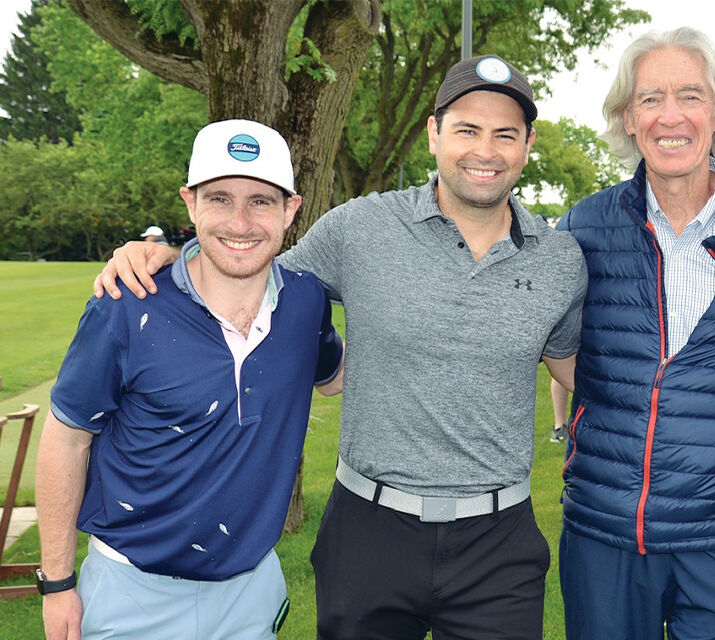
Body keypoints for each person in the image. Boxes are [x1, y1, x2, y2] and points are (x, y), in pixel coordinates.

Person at [93, 54, 586, 640]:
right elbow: (251, 269)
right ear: (434, 135)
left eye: (505, 134)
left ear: (527, 144)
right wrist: (169, 255)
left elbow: (573, 365)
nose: (485, 150)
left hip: (498, 540)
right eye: (466, 129)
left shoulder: (560, 261)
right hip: (368, 531)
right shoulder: (360, 228)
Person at [35, 119, 345, 640]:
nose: (240, 222)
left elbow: (338, 377)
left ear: (291, 209)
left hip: (250, 592)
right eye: (220, 199)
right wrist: (58, 583)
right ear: (190, 203)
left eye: (261, 202)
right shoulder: (126, 306)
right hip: (130, 591)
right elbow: (66, 440)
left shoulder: (306, 302)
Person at [556, 27, 715, 640]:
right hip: (607, 530)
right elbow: (541, 342)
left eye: (691, 96)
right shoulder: (583, 228)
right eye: (650, 98)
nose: (671, 116)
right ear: (627, 117)